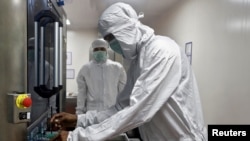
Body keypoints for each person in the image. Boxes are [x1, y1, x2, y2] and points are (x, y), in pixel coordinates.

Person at [50, 2, 207, 141]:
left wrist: (77, 137)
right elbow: (120, 108)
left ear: (126, 28)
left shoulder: (161, 50)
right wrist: (80, 120)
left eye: (111, 37)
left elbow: (138, 111)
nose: (111, 44)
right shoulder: (137, 61)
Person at [75, 38, 127, 114]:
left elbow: (123, 91)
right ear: (93, 51)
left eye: (102, 49)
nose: (99, 51)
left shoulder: (117, 67)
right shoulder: (85, 69)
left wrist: (124, 110)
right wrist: (79, 112)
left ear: (106, 51)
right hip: (92, 112)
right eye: (96, 49)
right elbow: (81, 92)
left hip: (112, 111)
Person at [28, 37, 57, 123]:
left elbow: (52, 93)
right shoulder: (26, 65)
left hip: (40, 107)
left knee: (38, 131)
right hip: (25, 105)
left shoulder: (47, 67)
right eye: (29, 48)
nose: (31, 51)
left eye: (33, 48)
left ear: (40, 50)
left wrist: (51, 112)